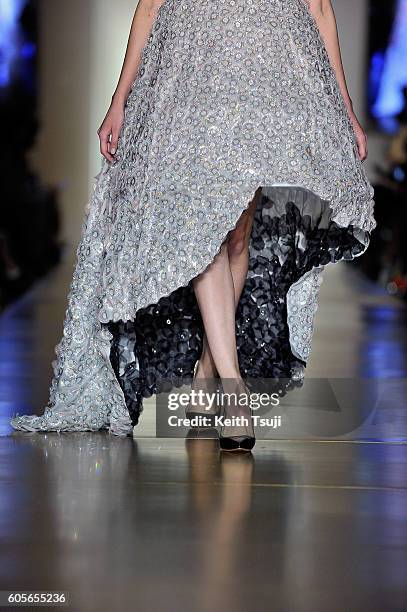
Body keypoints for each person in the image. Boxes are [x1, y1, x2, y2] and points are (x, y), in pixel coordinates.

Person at [11, 0, 375, 452]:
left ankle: (207, 370)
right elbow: (150, 5)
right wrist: (119, 98)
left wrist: (344, 107)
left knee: (238, 236)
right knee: (202, 233)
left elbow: (319, 6)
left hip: (266, 72)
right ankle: (233, 386)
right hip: (191, 71)